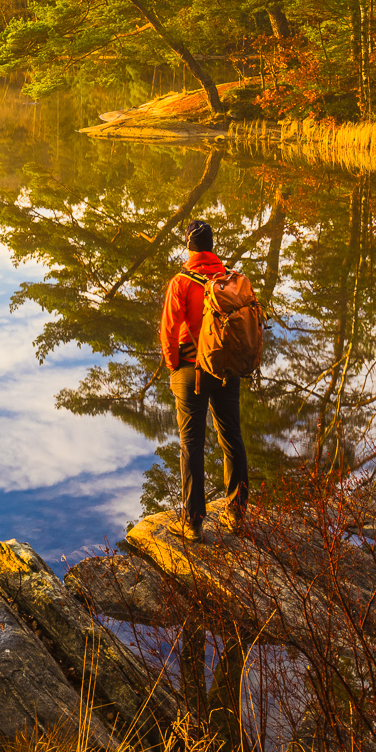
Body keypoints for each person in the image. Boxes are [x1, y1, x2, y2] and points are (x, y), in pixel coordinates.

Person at [160, 219, 250, 541]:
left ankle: (193, 523)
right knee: (231, 437)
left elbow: (169, 331)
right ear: (211, 246)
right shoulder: (229, 280)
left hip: (190, 368)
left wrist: (174, 368)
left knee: (192, 445)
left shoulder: (181, 281)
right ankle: (236, 514)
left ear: (189, 247)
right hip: (225, 368)